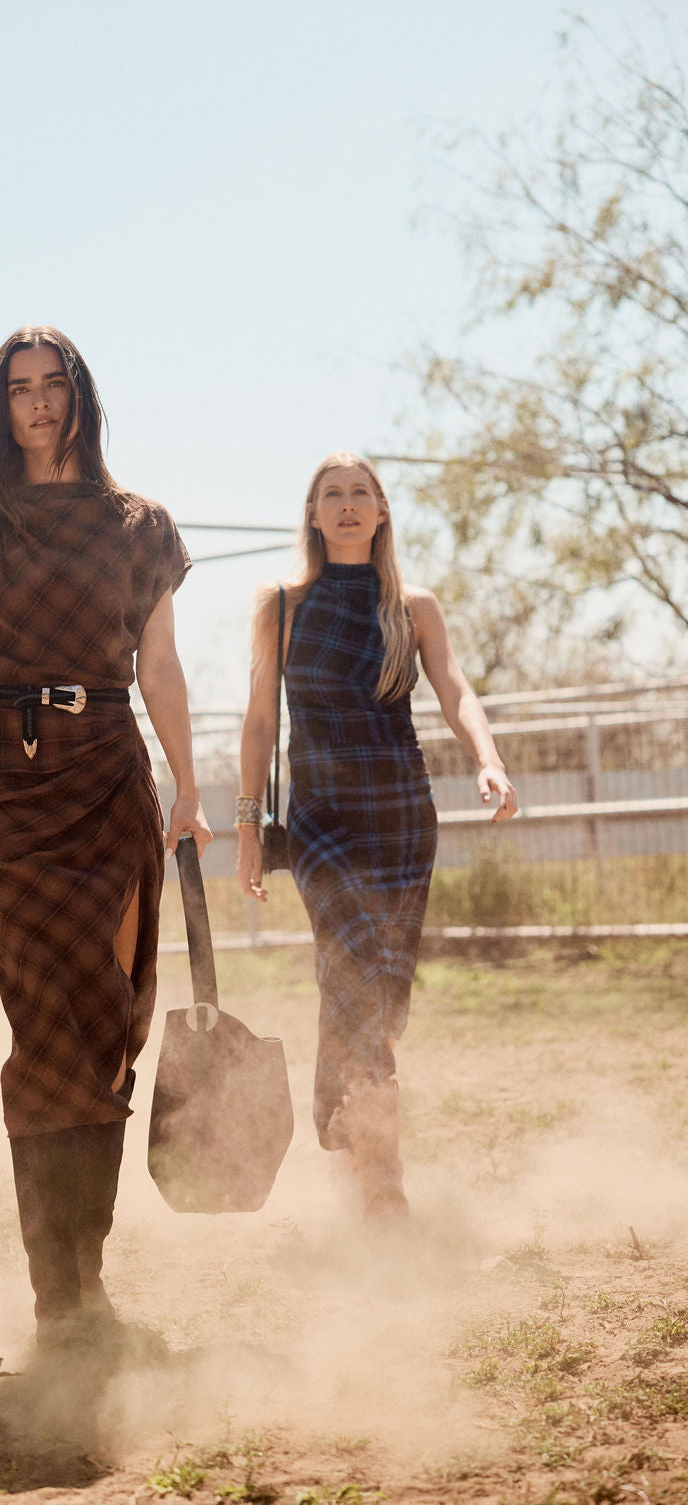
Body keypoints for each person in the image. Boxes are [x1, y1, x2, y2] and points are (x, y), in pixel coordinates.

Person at [0, 326, 211, 1346]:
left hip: (110, 776)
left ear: (81, 396)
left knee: (114, 1022)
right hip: (5, 782)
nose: (37, 404)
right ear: (0, 410)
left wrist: (187, 786)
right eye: (18, 390)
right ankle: (60, 1297)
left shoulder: (141, 527)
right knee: (48, 1025)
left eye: (53, 386)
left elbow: (162, 667)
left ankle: (87, 1270)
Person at [236, 452, 516, 1220]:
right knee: (355, 974)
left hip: (400, 814)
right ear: (315, 515)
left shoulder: (412, 605)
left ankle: (353, 1133)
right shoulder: (283, 606)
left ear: (382, 510)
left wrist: (487, 760)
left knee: (377, 991)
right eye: (333, 494)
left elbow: (454, 687)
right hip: (322, 822)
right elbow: (261, 719)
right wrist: (249, 824)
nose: (349, 504)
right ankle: (383, 1183)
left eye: (362, 493)